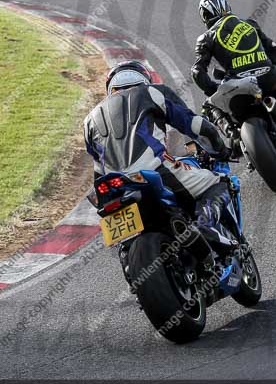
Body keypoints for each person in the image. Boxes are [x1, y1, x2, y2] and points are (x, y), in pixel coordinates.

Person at [83, 60, 234, 270]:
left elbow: (98, 167)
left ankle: (129, 263)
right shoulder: (152, 93)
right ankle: (206, 226)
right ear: (144, 80)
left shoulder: (89, 119)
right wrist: (221, 151)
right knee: (221, 183)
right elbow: (197, 126)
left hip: (113, 187)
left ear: (111, 88)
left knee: (121, 235)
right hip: (154, 172)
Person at [191, 0, 276, 149]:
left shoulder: (206, 38)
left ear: (205, 16)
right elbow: (273, 47)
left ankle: (232, 134)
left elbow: (197, 72)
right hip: (267, 76)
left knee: (209, 106)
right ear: (227, 7)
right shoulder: (249, 23)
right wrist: (274, 62)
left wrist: (213, 90)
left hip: (237, 84)